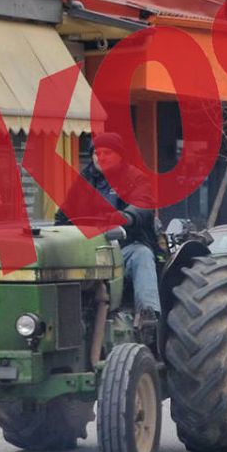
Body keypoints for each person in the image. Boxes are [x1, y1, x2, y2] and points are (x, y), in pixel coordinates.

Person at [76, 132, 160, 317]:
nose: (101, 157)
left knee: (141, 255)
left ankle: (148, 314)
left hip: (125, 247)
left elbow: (143, 204)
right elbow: (65, 214)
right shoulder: (84, 180)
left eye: (108, 153)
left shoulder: (135, 178)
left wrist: (126, 216)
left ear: (120, 155)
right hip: (89, 250)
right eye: (97, 153)